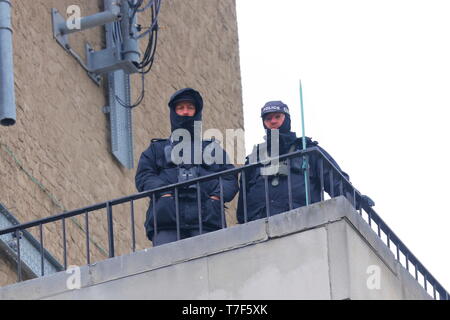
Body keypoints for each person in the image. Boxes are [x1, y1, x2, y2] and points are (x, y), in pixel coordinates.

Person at [136, 88, 238, 246]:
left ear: (197, 112)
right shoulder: (156, 150)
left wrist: (216, 197)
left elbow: (230, 178)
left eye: (190, 108)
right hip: (167, 221)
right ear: (173, 112)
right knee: (168, 267)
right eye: (180, 108)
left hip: (207, 220)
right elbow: (144, 177)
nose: (185, 112)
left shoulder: (213, 149)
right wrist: (165, 194)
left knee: (211, 266)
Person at [236, 100, 360, 223]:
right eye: (268, 119)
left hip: (303, 224)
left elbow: (335, 180)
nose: (273, 121)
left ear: (287, 119)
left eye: (277, 117)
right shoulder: (254, 158)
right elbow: (243, 205)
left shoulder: (307, 150)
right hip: (260, 229)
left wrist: (355, 199)